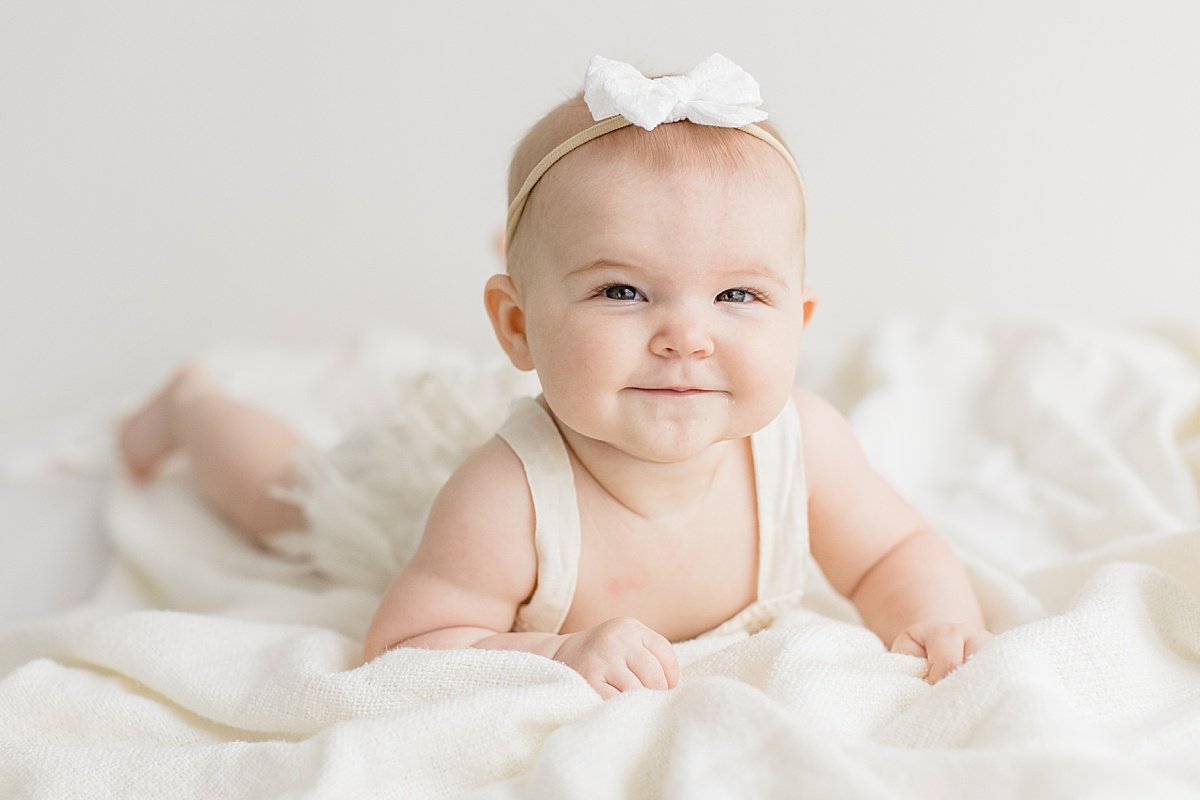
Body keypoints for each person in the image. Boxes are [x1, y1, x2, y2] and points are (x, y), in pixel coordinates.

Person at [118, 54, 992, 699]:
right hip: (429, 533)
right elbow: (406, 643)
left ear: (798, 323)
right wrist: (557, 655)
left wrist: (933, 616)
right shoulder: (503, 498)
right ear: (517, 325)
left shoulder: (804, 443)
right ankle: (194, 405)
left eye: (736, 293)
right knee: (297, 501)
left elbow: (891, 553)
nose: (686, 336)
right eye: (622, 289)